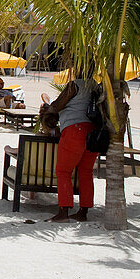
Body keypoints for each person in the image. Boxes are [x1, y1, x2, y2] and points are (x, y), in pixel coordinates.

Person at [45, 76, 99, 222]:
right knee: (86, 172)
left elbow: (58, 105)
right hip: (93, 133)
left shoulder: (76, 85)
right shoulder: (97, 86)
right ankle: (83, 212)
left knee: (63, 171)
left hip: (74, 129)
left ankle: (63, 212)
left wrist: (49, 109)